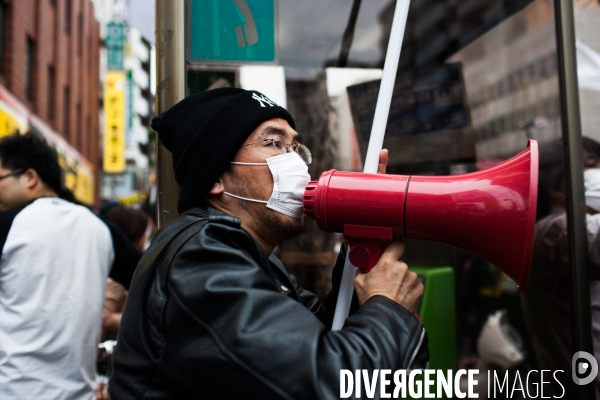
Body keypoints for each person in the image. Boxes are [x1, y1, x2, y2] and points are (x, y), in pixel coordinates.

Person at [109, 88, 428, 399]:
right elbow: (328, 382)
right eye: (274, 143)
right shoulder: (200, 258)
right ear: (213, 179)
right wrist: (389, 306)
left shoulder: (250, 256)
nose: (297, 165)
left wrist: (364, 242)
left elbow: (321, 335)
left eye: (296, 149)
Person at [0, 132, 141, 400]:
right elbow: (150, 282)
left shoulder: (8, 224)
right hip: (79, 393)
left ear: (30, 178)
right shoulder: (101, 228)